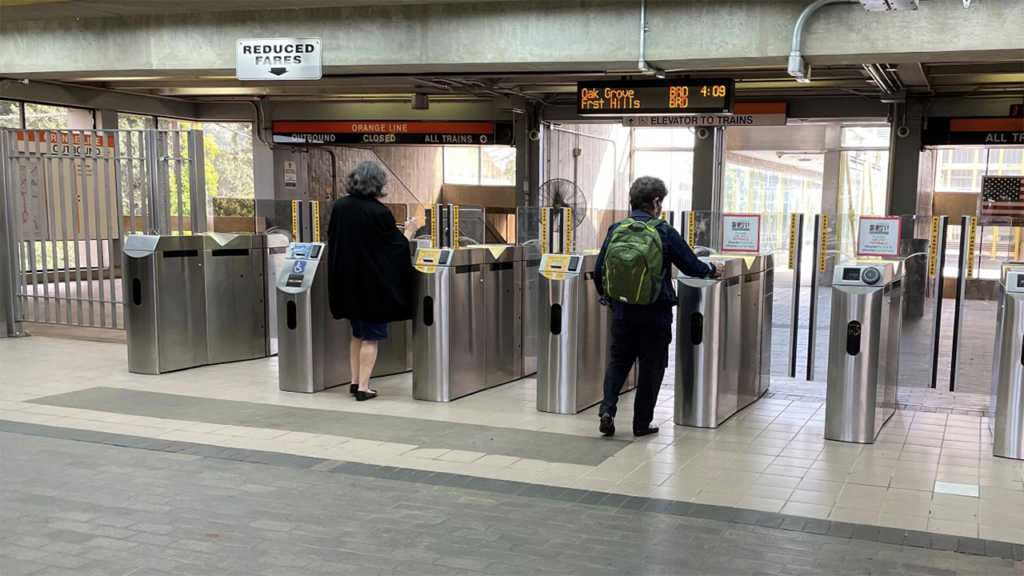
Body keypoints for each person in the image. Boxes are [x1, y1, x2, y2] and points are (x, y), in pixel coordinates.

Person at [593, 176, 723, 437]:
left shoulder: (616, 228)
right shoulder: (663, 230)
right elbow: (691, 266)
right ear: (655, 202)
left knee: (618, 362)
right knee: (651, 369)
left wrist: (610, 299)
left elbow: (598, 272)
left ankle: (607, 410)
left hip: (623, 312)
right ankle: (641, 424)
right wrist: (711, 268)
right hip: (656, 314)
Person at [327, 161, 418, 401]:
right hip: (372, 287)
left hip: (347, 283)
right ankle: (364, 388)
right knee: (371, 337)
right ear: (378, 184)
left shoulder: (340, 206)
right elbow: (395, 249)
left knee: (357, 334)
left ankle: (355, 381)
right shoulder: (379, 212)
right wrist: (409, 232)